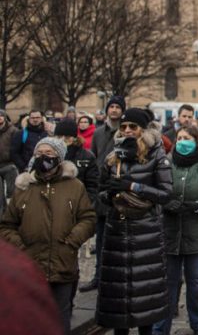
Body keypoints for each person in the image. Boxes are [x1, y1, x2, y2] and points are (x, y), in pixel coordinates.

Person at [0, 137, 96, 333]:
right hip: (31, 267)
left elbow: (87, 218)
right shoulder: (24, 188)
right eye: (39, 154)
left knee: (60, 322)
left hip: (63, 265)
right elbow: (7, 225)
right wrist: (20, 248)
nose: (43, 157)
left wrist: (72, 241)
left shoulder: (74, 186)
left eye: (49, 153)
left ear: (59, 158)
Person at [96, 108, 172, 335]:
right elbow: (100, 191)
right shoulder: (113, 156)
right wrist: (108, 196)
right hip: (117, 232)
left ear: (143, 130)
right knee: (119, 303)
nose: (127, 130)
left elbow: (166, 194)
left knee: (145, 300)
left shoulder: (156, 155)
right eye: (123, 127)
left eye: (133, 127)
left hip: (145, 233)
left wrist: (133, 186)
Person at [155, 125, 198, 335]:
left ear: (196, 141)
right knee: (168, 283)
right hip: (170, 232)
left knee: (195, 282)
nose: (183, 141)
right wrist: (167, 203)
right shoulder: (165, 163)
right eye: (180, 137)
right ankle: (161, 327)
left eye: (188, 138)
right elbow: (157, 190)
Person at [79, 95, 125, 293]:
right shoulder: (98, 133)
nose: (114, 110)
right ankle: (98, 276)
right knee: (100, 239)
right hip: (102, 191)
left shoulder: (126, 132)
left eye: (117, 107)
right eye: (111, 106)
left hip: (120, 189)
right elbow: (96, 160)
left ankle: (118, 278)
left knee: (119, 239)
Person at [54, 119, 99, 208]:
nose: (62, 140)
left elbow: (93, 185)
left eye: (67, 137)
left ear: (74, 137)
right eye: (59, 136)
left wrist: (84, 205)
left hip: (78, 204)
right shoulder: (49, 153)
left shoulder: (87, 156)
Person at [0, 109, 19, 214]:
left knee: (12, 193)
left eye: (1, 115)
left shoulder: (13, 130)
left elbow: (16, 147)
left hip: (10, 165)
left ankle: (13, 213)